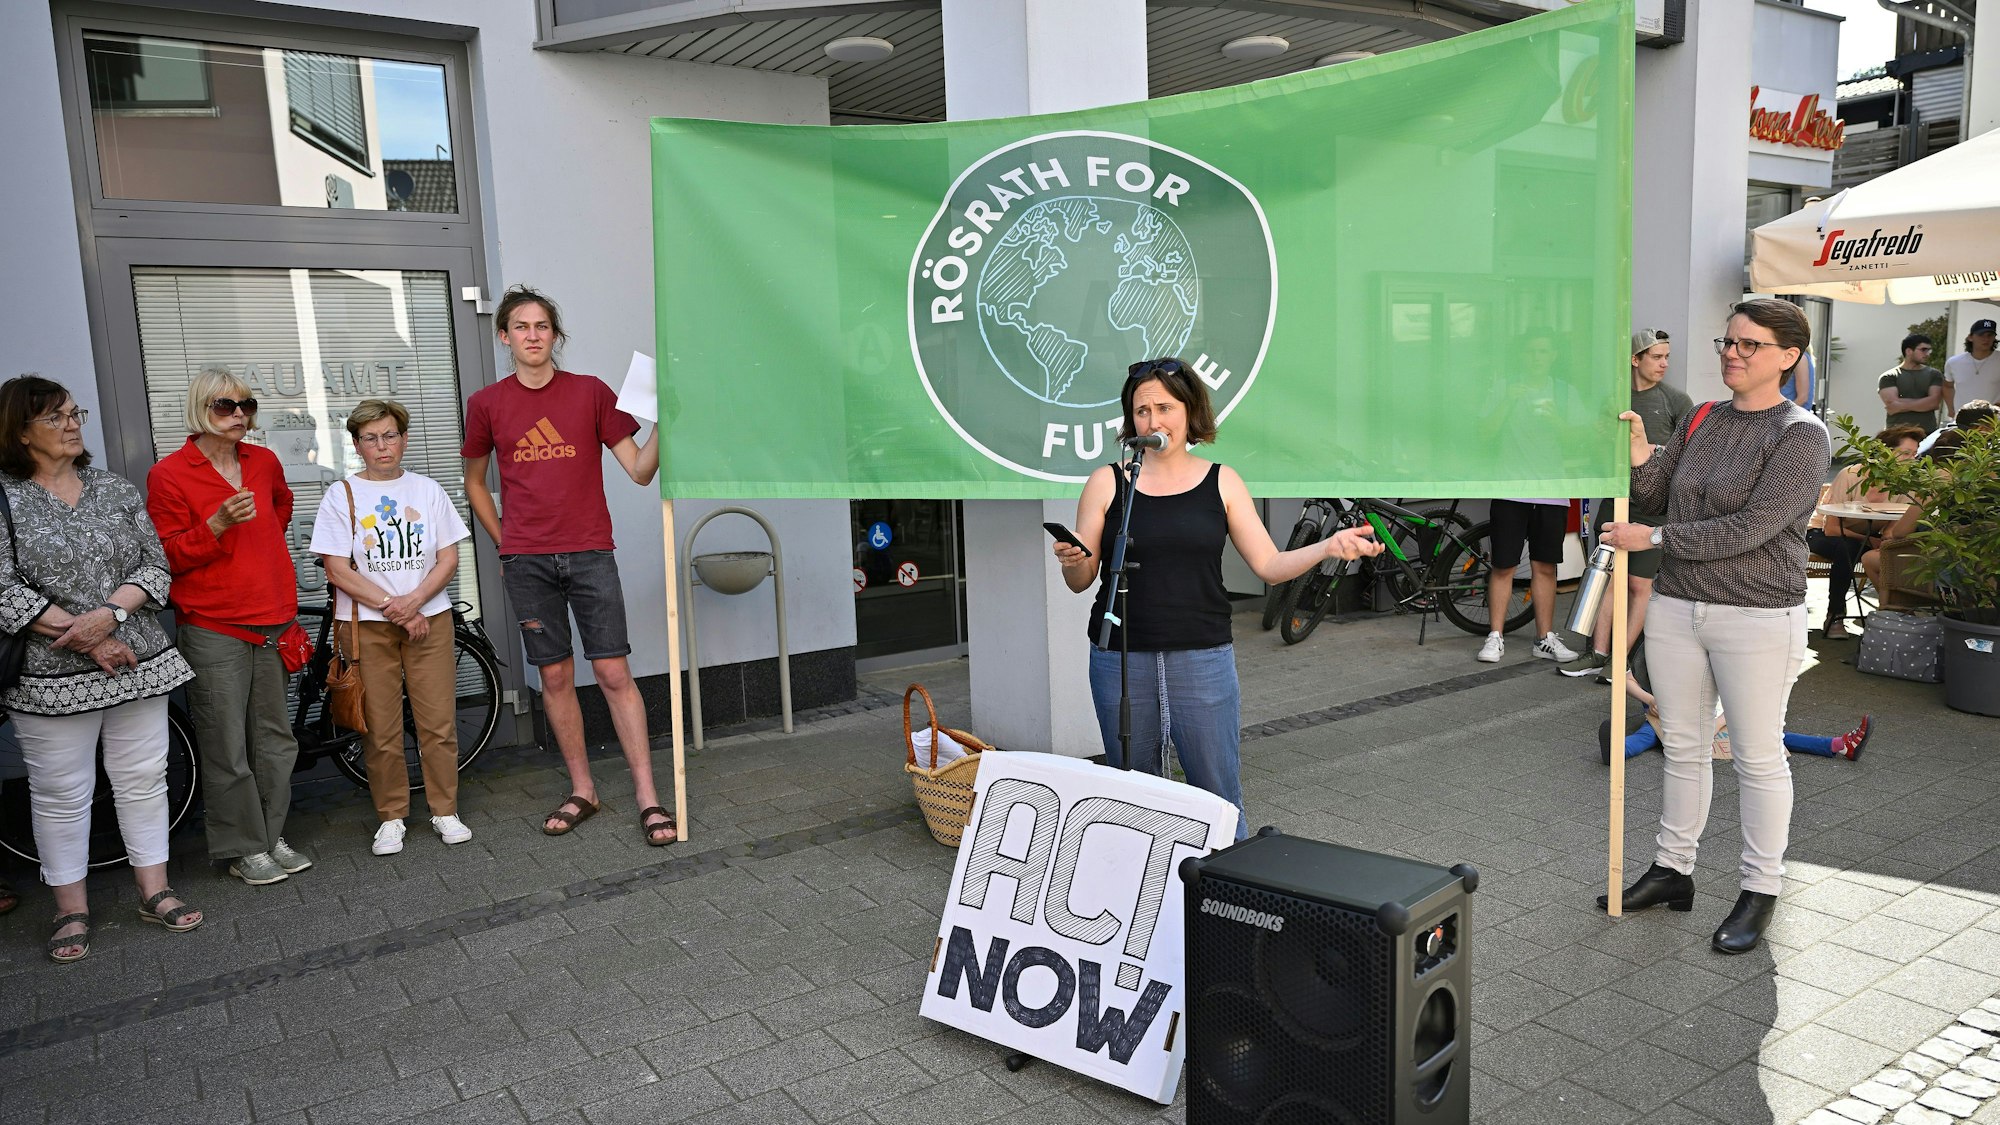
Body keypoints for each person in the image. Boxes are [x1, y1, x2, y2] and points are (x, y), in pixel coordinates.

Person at [1053, 358, 1381, 840]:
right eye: (1141, 411)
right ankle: (1145, 903)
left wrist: (1329, 547)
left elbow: (1268, 565)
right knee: (1130, 798)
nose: (1152, 420)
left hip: (1202, 655)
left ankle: (1225, 897)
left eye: (1164, 407)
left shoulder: (1222, 481)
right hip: (1121, 657)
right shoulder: (1108, 481)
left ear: (1190, 412)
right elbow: (1082, 581)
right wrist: (1072, 560)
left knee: (1217, 795)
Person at [1598, 298, 1830, 954]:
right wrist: (1643, 453)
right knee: (1685, 746)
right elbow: (1651, 492)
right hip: (1677, 607)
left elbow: (1753, 526)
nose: (1731, 352)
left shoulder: (1800, 434)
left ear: (1788, 356)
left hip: (1758, 615)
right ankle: (1673, 872)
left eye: (1749, 345)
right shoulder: (1702, 417)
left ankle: (1761, 889)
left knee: (1757, 756)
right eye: (1728, 341)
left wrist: (1655, 536)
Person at [0, 376, 201, 962]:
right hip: (49, 675)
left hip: (137, 659)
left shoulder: (112, 488)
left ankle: (154, 890)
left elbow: (156, 566)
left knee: (142, 779)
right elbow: (3, 589)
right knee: (63, 793)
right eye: (56, 417)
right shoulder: (5, 498)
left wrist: (109, 617)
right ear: (19, 432)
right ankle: (71, 909)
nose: (71, 424)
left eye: (73, 412)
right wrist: (87, 637)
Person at [461, 286, 672, 845]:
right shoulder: (487, 404)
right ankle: (584, 790)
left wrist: (669, 422)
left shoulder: (591, 393)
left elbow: (641, 470)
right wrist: (507, 542)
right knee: (554, 676)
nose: (533, 336)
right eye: (522, 327)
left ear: (555, 335)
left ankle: (649, 796)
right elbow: (474, 483)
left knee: (611, 673)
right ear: (505, 336)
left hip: (589, 554)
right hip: (527, 561)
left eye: (543, 327)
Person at [146, 367, 308, 886]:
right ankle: (243, 846)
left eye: (246, 405)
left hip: (275, 616)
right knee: (226, 744)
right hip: (214, 625)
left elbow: (281, 507)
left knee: (275, 739)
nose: (239, 414)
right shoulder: (170, 474)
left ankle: (270, 834)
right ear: (200, 410)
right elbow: (165, 556)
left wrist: (256, 550)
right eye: (225, 406)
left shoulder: (262, 461)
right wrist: (216, 526)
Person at [312, 400, 474, 857]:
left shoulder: (427, 491)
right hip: (365, 625)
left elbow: (449, 558)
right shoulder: (340, 494)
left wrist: (415, 602)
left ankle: (445, 809)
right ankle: (391, 817)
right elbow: (337, 569)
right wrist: (395, 607)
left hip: (430, 619)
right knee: (379, 726)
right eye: (370, 438)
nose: (382, 446)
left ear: (403, 438)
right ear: (358, 445)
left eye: (389, 435)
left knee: (437, 721)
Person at [1560, 329, 1692, 680]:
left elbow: (1688, 455)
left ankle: (1620, 664)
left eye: (1667, 357)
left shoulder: (1677, 401)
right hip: (1617, 500)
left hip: (1656, 507)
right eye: (1657, 357)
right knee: (1608, 578)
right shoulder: (1613, 400)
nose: (1664, 364)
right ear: (1636, 360)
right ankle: (1598, 654)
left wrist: (1653, 452)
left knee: (1639, 586)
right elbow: (1593, 444)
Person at [1806, 425, 1923, 639]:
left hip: (1869, 539)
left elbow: (1893, 529)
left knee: (1891, 550)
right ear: (1884, 452)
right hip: (1822, 534)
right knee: (1846, 547)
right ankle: (1836, 614)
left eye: (1914, 454)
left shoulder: (1905, 484)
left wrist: (1879, 540)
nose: (1911, 460)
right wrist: (1868, 540)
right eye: (1905, 453)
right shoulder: (1851, 475)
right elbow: (1831, 528)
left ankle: (1895, 614)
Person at [1878, 333, 1944, 433]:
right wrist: (1923, 403)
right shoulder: (1889, 376)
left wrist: (1900, 405)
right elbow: (1891, 404)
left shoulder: (1934, 374)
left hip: (1926, 434)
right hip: (1896, 435)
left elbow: (1934, 402)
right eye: (1923, 350)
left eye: (1929, 350)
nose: (1928, 353)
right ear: (1909, 351)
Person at [1942, 318, 1997, 415]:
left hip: (1994, 421)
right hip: (1963, 420)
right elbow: (1947, 386)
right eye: (1981, 335)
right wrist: (1951, 409)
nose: (1986, 339)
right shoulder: (1954, 362)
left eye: (1990, 335)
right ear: (1970, 337)